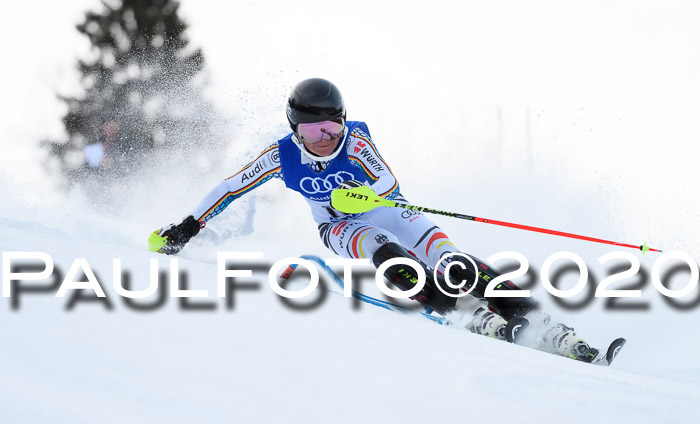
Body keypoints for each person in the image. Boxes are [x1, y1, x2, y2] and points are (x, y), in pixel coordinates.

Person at [151, 78, 598, 362]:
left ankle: (540, 321)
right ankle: (461, 311)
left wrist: (360, 193)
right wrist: (187, 228)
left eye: (333, 127)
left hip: (389, 207)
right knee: (389, 255)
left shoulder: (356, 139)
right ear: (295, 130)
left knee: (455, 263)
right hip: (341, 227)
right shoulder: (281, 157)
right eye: (313, 131)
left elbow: (387, 181)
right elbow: (230, 188)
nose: (326, 138)